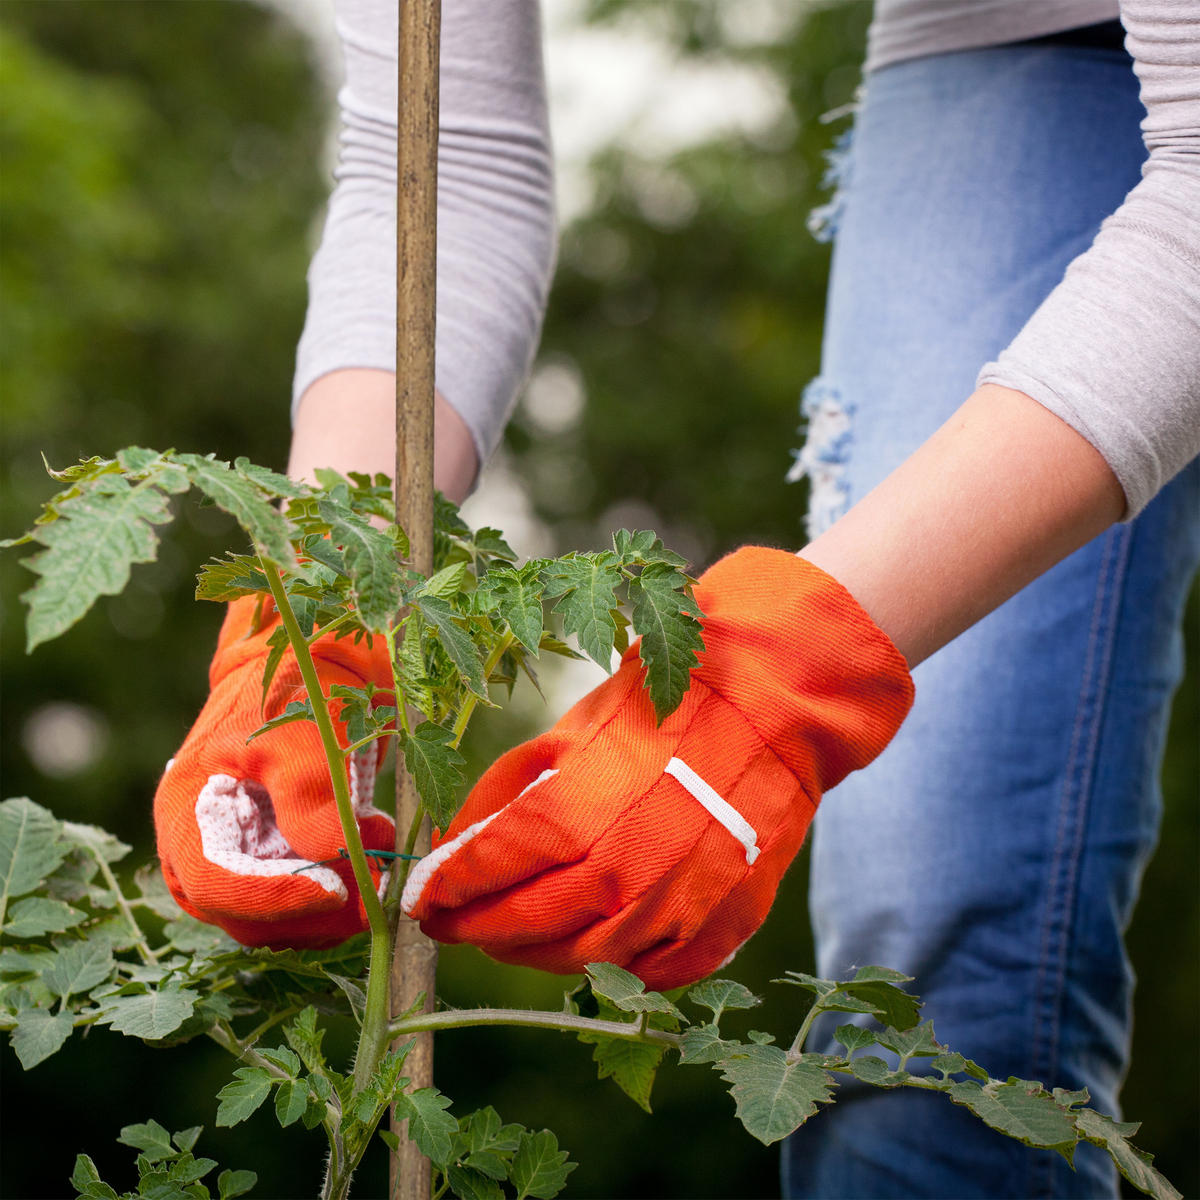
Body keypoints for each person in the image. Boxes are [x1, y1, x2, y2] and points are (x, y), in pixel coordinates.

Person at [153, 1, 1200, 1196]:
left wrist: (780, 683)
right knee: (920, 976)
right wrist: (314, 614)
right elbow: (442, 153)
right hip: (989, 31)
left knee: (954, 966)